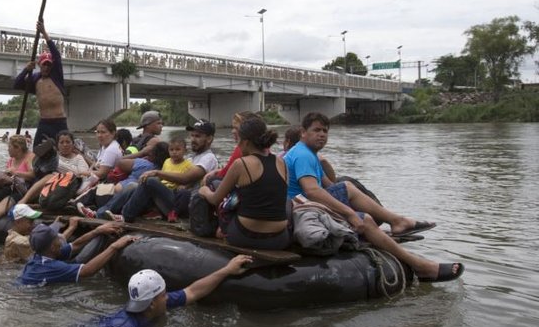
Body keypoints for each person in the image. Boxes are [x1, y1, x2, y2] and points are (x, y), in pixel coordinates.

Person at [284, 112, 464, 282]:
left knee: (346, 187)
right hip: (303, 210)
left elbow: (329, 185)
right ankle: (420, 266)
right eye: (316, 130)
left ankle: (396, 222)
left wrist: (348, 207)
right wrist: (350, 214)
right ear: (303, 133)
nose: (322, 135)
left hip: (308, 204)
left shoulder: (308, 154)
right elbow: (312, 191)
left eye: (325, 131)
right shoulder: (302, 155)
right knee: (365, 218)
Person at [97, 255, 253, 327]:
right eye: (163, 294)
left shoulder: (155, 304)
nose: (167, 297)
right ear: (151, 303)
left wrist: (227, 270)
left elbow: (192, 291)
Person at [199, 115, 290, 249]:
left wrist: (205, 191)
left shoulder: (241, 164)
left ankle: (221, 232)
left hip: (247, 236)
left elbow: (215, 199)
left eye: (239, 140)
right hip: (279, 238)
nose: (237, 144)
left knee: (216, 188)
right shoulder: (282, 162)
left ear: (246, 142)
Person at [119, 120, 219, 223]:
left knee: (150, 181)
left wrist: (157, 173)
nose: (193, 139)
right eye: (192, 136)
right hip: (177, 198)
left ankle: (125, 215)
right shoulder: (191, 157)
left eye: (197, 136)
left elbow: (185, 178)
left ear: (209, 139)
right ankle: (122, 211)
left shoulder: (208, 158)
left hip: (188, 206)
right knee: (141, 183)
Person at [16, 221, 137, 286]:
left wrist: (97, 231)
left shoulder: (43, 254)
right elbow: (87, 271)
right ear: (52, 247)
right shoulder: (50, 267)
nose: (60, 239)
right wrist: (114, 246)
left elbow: (75, 245)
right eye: (57, 238)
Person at [13, 20, 67, 150]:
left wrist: (44, 33)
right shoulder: (35, 79)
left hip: (59, 121)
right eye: (45, 64)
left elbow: (57, 56)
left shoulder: (56, 76)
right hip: (44, 122)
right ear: (39, 65)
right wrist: (26, 69)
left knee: (63, 149)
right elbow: (17, 84)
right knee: (37, 149)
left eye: (49, 65)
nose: (47, 67)